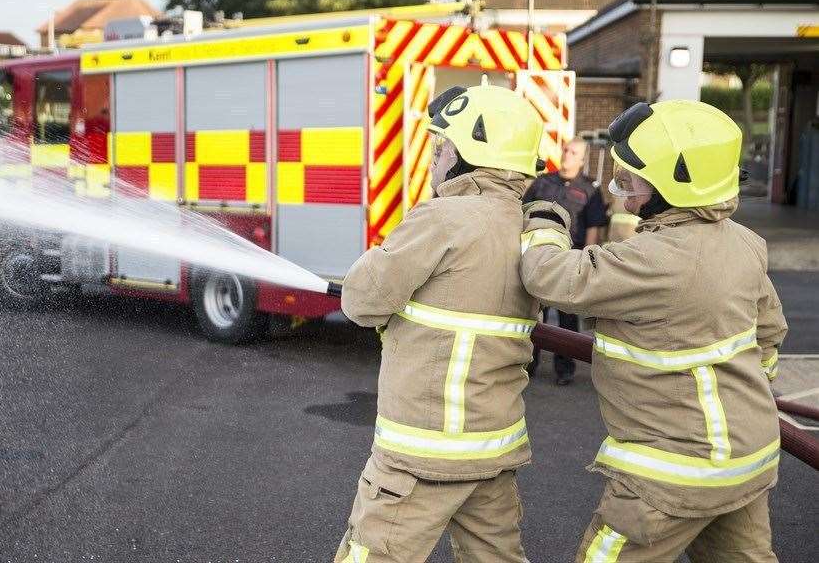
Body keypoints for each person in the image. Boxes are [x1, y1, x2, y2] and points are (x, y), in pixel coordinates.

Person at [518, 100, 787, 562]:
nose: (622, 196)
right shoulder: (745, 243)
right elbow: (769, 335)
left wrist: (544, 224)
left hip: (671, 474)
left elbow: (551, 277)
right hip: (748, 460)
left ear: (676, 186)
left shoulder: (653, 258)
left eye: (632, 182)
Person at [334, 83, 544, 563]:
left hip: (421, 455)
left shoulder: (442, 218)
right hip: (493, 450)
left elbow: (361, 303)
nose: (433, 159)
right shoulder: (528, 227)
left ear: (466, 154)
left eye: (441, 147)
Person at [524, 137, 608, 385]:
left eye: (573, 152)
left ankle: (564, 368)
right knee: (534, 314)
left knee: (567, 317)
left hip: (570, 260)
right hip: (537, 257)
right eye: (565, 150)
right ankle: (530, 364)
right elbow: (523, 213)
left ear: (582, 159)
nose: (567, 154)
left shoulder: (589, 189)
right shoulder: (542, 183)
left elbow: (593, 227)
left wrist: (588, 261)